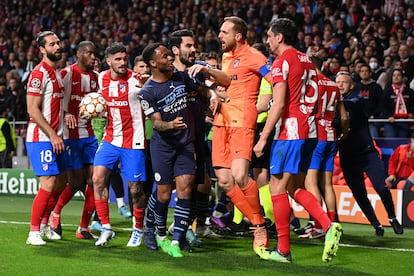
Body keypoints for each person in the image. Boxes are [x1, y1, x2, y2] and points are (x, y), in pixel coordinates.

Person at [253, 18, 342, 263]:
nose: (268, 40)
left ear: (279, 37)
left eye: (270, 36)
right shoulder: (306, 60)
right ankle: (328, 224)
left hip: (290, 131)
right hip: (309, 131)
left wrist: (262, 138)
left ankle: (283, 250)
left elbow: (279, 102)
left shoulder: (283, 60)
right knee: (294, 187)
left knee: (277, 187)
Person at [140, 43, 218, 258]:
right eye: (165, 57)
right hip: (163, 146)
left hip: (187, 144)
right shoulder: (147, 92)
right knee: (163, 194)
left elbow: (202, 91)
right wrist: (170, 125)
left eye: (169, 55)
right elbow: (156, 123)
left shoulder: (182, 77)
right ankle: (153, 229)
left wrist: (212, 97)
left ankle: (177, 240)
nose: (170, 59)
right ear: (153, 63)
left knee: (186, 188)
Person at [211, 16, 273, 257]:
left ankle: (258, 227)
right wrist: (216, 92)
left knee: (239, 175)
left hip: (242, 123)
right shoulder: (225, 57)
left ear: (238, 36)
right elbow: (224, 86)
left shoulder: (255, 57)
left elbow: (275, 81)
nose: (220, 36)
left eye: (224, 32)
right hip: (220, 123)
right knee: (225, 181)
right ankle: (258, 223)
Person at [168, 29, 230, 245]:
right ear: (175, 50)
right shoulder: (167, 73)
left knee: (198, 184)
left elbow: (219, 87)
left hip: (196, 139)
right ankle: (153, 229)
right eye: (188, 46)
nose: (194, 49)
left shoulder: (199, 72)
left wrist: (213, 94)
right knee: (165, 189)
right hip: (170, 140)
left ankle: (188, 226)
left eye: (194, 46)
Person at [335, 70, 404, 236]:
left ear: (351, 85)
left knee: (381, 187)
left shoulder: (357, 99)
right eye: (338, 83)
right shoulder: (334, 104)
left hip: (368, 154)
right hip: (348, 157)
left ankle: (392, 217)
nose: (340, 85)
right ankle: (376, 225)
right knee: (359, 194)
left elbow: (348, 110)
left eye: (344, 82)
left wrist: (334, 103)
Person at [92, 42, 147, 247]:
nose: (123, 62)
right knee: (97, 178)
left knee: (135, 189)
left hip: (134, 141)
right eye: (118, 59)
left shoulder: (136, 79)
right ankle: (106, 227)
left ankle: (138, 229)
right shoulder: (102, 78)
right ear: (108, 61)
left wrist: (146, 89)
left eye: (125, 59)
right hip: (110, 139)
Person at [47, 41, 99, 240]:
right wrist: (65, 113)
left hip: (90, 135)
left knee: (96, 180)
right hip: (70, 137)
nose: (93, 57)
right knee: (76, 183)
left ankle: (83, 228)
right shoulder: (67, 74)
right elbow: (54, 100)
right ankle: (55, 212)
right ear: (79, 54)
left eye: (95, 54)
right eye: (89, 53)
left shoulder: (95, 78)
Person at [301, 50, 349, 239]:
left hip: (316, 137)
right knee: (327, 184)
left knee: (310, 181)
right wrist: (344, 134)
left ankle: (320, 225)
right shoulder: (334, 86)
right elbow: (344, 116)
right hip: (331, 138)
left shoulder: (312, 85)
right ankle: (333, 223)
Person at [25, 31, 66, 245]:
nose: (57, 46)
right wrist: (51, 134)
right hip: (41, 137)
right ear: (42, 49)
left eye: (58, 42)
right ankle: (33, 233)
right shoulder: (39, 73)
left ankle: (43, 226)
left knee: (61, 182)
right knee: (48, 183)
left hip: (56, 137)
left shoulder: (57, 73)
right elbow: (32, 109)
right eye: (52, 44)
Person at [354, 63, 384, 138]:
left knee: (373, 136)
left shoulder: (376, 87)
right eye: (362, 71)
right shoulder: (356, 87)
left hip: (372, 119)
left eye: (366, 71)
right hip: (358, 119)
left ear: (370, 73)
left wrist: (374, 114)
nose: (364, 73)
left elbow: (380, 103)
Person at [382, 68, 414, 138]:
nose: (396, 77)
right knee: (391, 138)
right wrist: (389, 116)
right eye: (394, 75)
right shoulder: (387, 92)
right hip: (391, 121)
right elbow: (383, 106)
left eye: (398, 75)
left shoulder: (410, 92)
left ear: (403, 78)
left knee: (403, 140)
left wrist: (412, 113)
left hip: (405, 121)